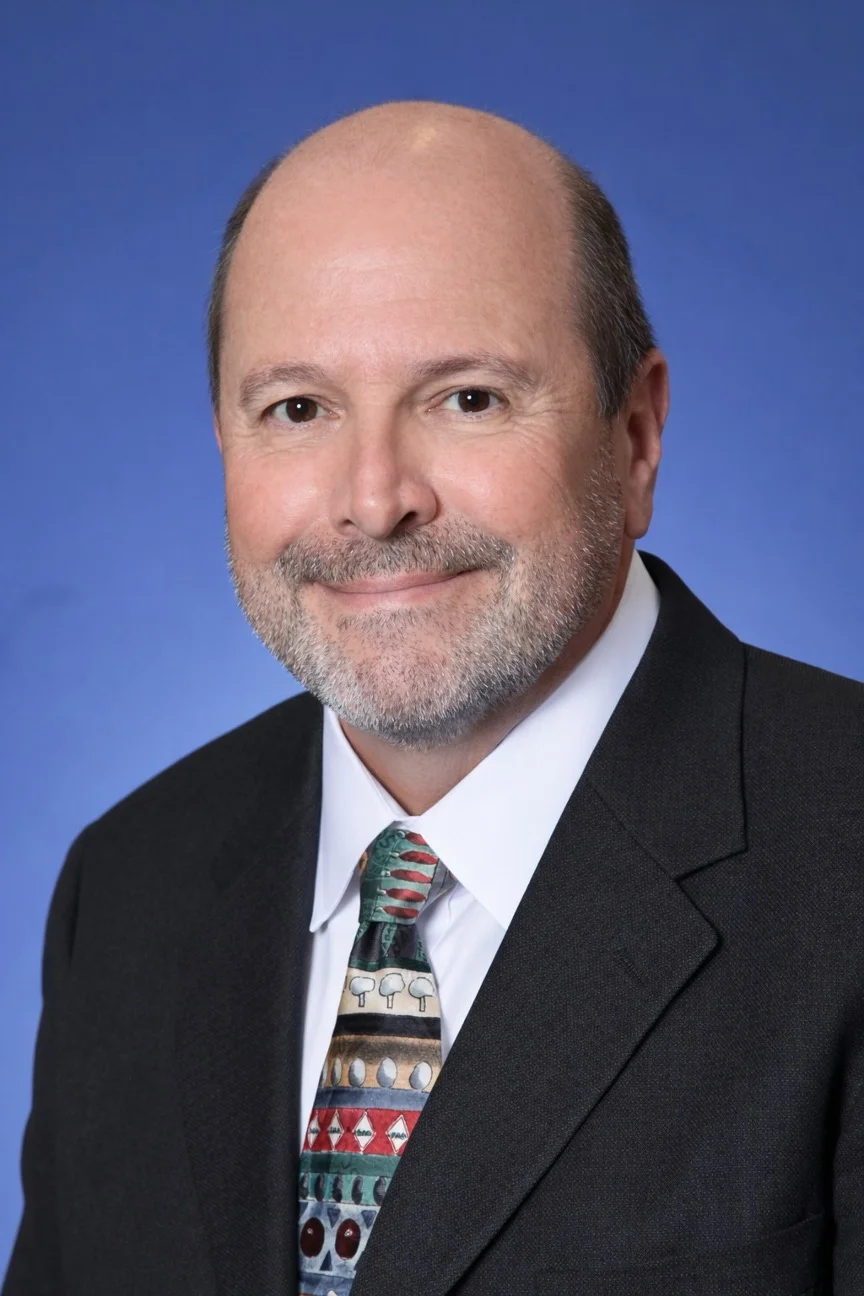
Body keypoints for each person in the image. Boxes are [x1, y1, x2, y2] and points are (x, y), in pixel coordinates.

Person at [3, 99, 863, 1296]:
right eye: (297, 409)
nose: (375, 500)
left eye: (468, 398)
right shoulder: (127, 890)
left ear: (634, 436)